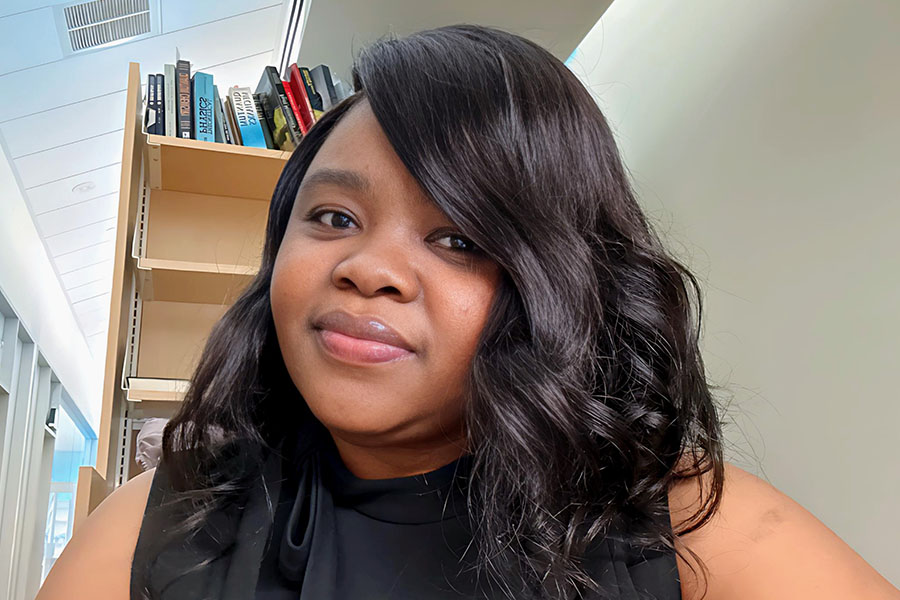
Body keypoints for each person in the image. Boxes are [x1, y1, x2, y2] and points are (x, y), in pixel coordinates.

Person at [36, 24, 899, 600]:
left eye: (457, 239)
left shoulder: (688, 525)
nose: (369, 268)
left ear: (554, 281)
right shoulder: (163, 520)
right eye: (333, 218)